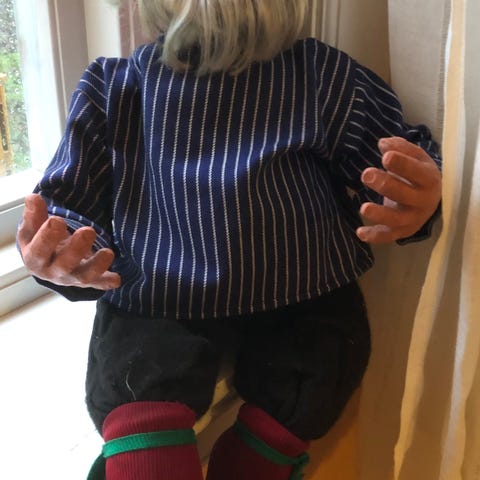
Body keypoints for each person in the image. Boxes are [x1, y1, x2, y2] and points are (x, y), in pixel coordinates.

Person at [17, 1, 442, 479]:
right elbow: (66, 206)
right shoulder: (116, 88)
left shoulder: (321, 75)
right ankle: (147, 454)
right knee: (142, 381)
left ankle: (253, 458)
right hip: (161, 293)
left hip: (301, 290)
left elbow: (389, 163)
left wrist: (414, 196)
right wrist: (58, 253)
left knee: (319, 364)